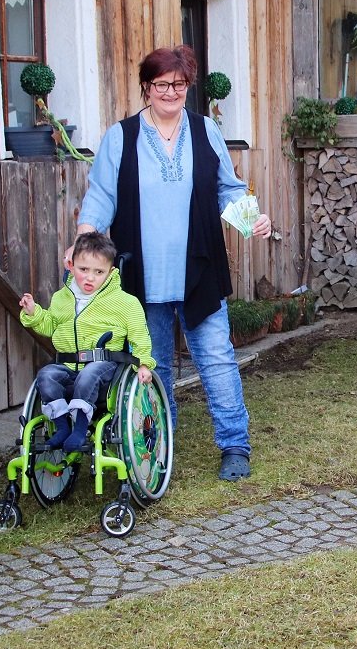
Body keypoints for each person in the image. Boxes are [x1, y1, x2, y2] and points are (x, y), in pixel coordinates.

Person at [73, 45, 272, 482]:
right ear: (146, 87)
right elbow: (101, 196)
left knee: (218, 360)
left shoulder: (205, 131)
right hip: (140, 275)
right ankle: (158, 442)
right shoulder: (120, 137)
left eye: (179, 84)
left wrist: (252, 217)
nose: (170, 92)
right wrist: (83, 240)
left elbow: (229, 187)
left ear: (188, 87)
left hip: (198, 268)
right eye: (161, 83)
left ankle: (235, 445)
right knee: (153, 366)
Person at [19, 232, 155, 452]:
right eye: (83, 270)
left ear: (110, 272)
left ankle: (80, 429)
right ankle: (62, 425)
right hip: (68, 366)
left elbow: (140, 335)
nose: (90, 278)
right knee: (46, 375)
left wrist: (144, 363)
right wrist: (33, 312)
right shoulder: (61, 298)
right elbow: (49, 325)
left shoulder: (125, 303)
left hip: (105, 367)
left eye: (98, 272)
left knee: (89, 374)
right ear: (71, 266)